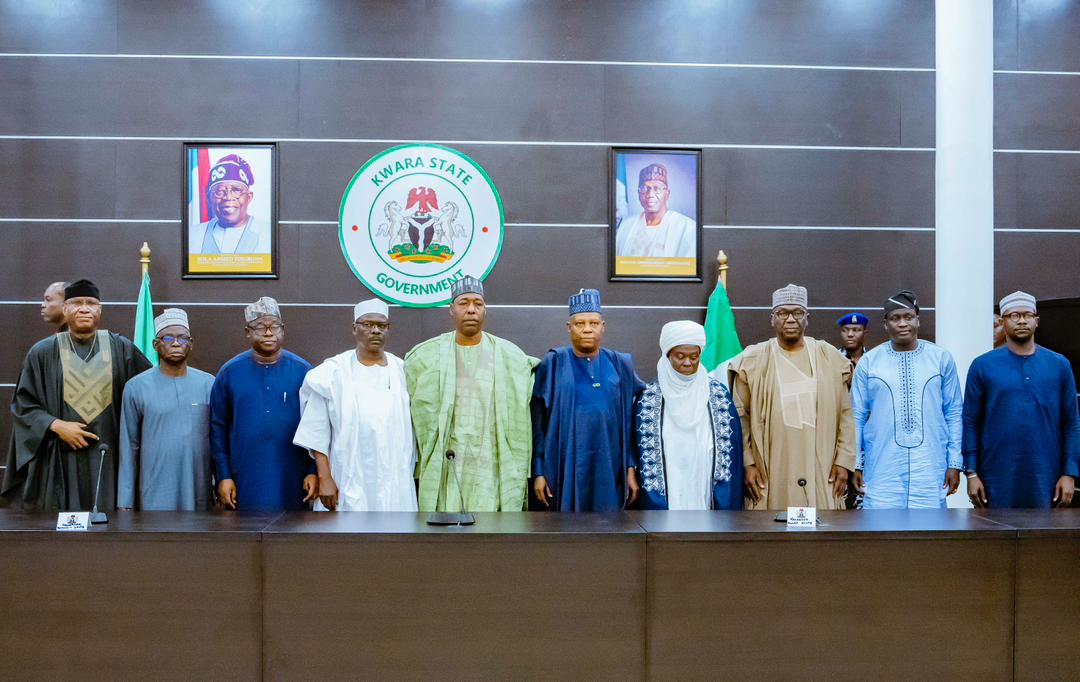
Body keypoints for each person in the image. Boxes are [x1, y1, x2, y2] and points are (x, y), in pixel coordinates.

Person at [2, 280, 151, 511]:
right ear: (65, 309)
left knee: (109, 523)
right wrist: (55, 425)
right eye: (76, 303)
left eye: (91, 303)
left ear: (100, 309)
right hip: (60, 459)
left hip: (110, 457)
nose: (84, 309)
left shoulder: (122, 349)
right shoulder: (42, 352)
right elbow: (23, 405)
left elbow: (148, 394)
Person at [405, 276, 537, 512]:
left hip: (491, 463)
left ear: (485, 310)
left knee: (491, 528)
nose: (471, 310)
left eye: (478, 303)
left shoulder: (511, 356)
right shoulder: (425, 356)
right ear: (451, 309)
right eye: (463, 303)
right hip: (447, 463)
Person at [728, 284, 855, 510]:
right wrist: (747, 463)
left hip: (822, 463)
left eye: (797, 313)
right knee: (771, 524)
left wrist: (843, 461)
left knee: (822, 524)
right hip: (770, 466)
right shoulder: (753, 360)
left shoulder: (829, 357)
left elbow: (846, 413)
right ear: (772, 318)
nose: (790, 319)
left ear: (807, 318)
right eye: (782, 313)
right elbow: (740, 416)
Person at [293, 299, 417, 512]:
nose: (375, 330)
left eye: (382, 325)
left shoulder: (403, 370)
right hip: (347, 475)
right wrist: (325, 478)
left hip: (394, 479)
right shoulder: (331, 372)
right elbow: (315, 430)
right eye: (368, 324)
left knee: (394, 530)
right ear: (354, 328)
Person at [963, 291, 1080, 508]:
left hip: (1047, 476)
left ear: (1037, 321)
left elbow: (1071, 422)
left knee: (1045, 530)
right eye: (1014, 315)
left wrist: (1069, 472)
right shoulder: (982, 365)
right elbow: (970, 421)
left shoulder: (1059, 365)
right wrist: (971, 473)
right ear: (1002, 322)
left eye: (1028, 315)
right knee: (994, 529)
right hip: (994, 477)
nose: (1022, 321)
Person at [531, 289, 644, 511]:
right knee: (566, 526)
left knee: (608, 523)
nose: (587, 329)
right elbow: (538, 424)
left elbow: (633, 421)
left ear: (603, 326)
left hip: (610, 464)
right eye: (579, 323)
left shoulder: (620, 364)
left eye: (593, 323)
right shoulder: (554, 363)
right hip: (563, 464)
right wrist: (539, 471)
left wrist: (631, 466)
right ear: (569, 327)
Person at [850, 291, 963, 508]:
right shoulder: (870, 362)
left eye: (908, 317)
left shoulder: (940, 358)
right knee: (881, 525)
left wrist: (954, 462)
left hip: (930, 465)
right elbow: (857, 415)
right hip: (883, 466)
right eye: (895, 318)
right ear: (885, 324)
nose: (902, 323)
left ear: (917, 320)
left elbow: (954, 412)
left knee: (929, 526)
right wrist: (856, 463)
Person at [210, 297, 316, 511]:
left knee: (293, 529)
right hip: (243, 478)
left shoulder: (304, 372)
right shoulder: (230, 373)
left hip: (294, 477)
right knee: (246, 529)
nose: (268, 333)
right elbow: (218, 428)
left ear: (283, 329)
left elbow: (317, 426)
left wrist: (314, 471)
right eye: (260, 327)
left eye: (274, 326)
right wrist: (224, 476)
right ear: (248, 332)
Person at [635, 321, 743, 510]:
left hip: (704, 478)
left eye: (694, 357)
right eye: (680, 356)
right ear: (667, 355)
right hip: (671, 480)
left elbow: (732, 450)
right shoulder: (648, 397)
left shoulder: (718, 394)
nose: (687, 363)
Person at [118, 308, 215, 511]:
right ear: (156, 345)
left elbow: (219, 440)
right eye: (168, 338)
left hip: (199, 489)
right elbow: (128, 447)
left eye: (183, 338)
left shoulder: (209, 384)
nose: (176, 343)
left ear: (191, 343)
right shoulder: (136, 387)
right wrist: (125, 501)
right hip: (155, 491)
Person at [614, 163, 696, 259]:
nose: (650, 194)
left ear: (667, 193)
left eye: (657, 188)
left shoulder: (687, 228)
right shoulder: (626, 225)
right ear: (638, 194)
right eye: (645, 188)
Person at [190, 154, 266, 254]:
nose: (228, 197)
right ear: (209, 198)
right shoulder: (192, 235)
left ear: (249, 197)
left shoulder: (267, 233)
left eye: (236, 190)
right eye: (219, 191)